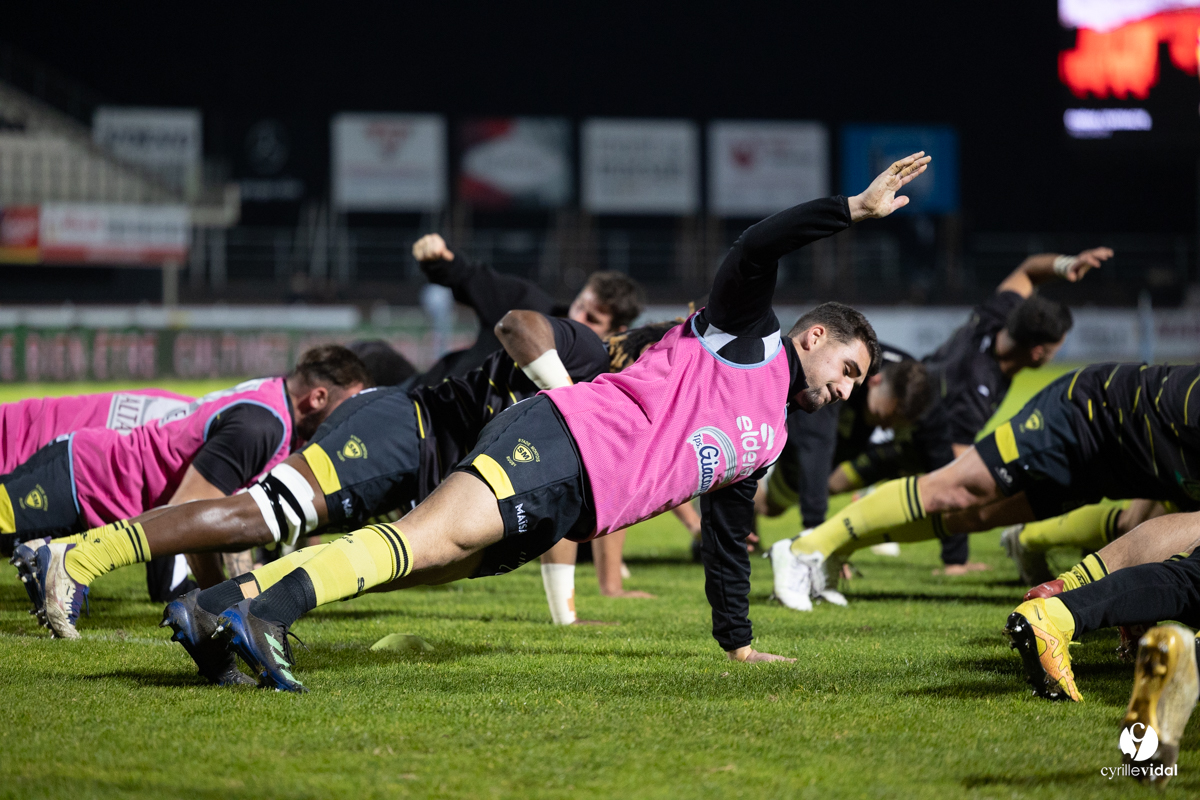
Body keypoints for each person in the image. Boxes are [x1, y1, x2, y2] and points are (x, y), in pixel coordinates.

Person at [185, 153, 930, 692]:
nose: (848, 390)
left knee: (434, 562)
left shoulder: (765, 435)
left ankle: (216, 609)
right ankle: (266, 616)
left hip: (577, 501)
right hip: (566, 441)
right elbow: (755, 247)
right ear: (816, 338)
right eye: (850, 371)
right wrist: (850, 212)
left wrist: (736, 642)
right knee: (425, 541)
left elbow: (729, 541)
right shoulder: (748, 333)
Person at [32, 311, 609, 646]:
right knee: (255, 516)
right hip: (406, 430)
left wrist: (564, 615)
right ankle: (80, 557)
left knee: (291, 539)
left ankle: (213, 608)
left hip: (423, 476)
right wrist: (569, 396)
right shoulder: (595, 359)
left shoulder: (616, 418)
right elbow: (517, 323)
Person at [768, 249, 1112, 609]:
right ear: (1039, 353)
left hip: (906, 414)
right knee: (959, 495)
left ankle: (817, 531)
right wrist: (957, 558)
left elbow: (1027, 271)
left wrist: (1065, 266)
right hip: (915, 436)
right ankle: (816, 541)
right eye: (1057, 349)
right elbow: (959, 479)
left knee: (820, 484)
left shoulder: (995, 319)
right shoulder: (974, 391)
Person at [771, 358, 1200, 612]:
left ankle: (837, 548)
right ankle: (804, 549)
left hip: (1126, 468)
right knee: (954, 489)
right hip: (1087, 413)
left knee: (974, 517)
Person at [11, 345, 371, 637]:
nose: (345, 425)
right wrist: (220, 602)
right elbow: (191, 509)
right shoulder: (261, 425)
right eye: (345, 409)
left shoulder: (270, 403)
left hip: (102, 488)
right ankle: (60, 563)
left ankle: (49, 560)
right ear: (317, 398)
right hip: (87, 479)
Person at [0, 387, 198, 604]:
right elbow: (176, 513)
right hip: (31, 452)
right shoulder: (204, 440)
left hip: (32, 432)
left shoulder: (188, 411)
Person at [755, 346, 938, 564]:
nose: (888, 427)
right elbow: (816, 445)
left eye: (895, 423)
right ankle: (731, 496)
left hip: (847, 429)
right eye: (885, 416)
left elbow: (940, 452)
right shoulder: (838, 369)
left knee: (783, 502)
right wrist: (817, 539)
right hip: (788, 415)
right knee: (770, 505)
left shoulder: (912, 383)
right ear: (875, 381)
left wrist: (956, 560)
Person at [412, 232, 643, 382]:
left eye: (592, 319)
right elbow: (467, 276)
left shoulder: (602, 379)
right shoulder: (527, 304)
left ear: (617, 331)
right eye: (579, 305)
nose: (577, 317)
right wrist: (439, 258)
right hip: (425, 402)